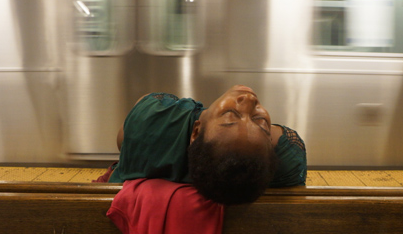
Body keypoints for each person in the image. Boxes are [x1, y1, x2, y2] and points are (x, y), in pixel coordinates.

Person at [101, 85, 307, 205]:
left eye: (230, 115)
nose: (249, 101)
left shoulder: (154, 118)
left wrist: (205, 115)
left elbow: (123, 140)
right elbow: (288, 148)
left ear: (196, 131)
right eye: (261, 123)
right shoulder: (287, 161)